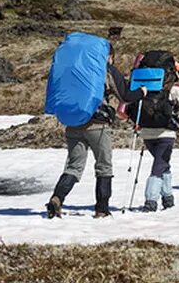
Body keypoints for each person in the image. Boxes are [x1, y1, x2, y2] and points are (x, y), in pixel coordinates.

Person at [46, 27, 146, 219]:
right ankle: (101, 209)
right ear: (108, 55)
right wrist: (142, 92)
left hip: (73, 123)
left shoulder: (73, 70)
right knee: (104, 167)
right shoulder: (104, 70)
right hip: (98, 126)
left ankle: (57, 198)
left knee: (73, 167)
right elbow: (125, 95)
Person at [136, 54, 179, 212]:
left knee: (162, 163)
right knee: (159, 165)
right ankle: (151, 200)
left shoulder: (144, 85)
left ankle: (168, 198)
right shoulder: (176, 88)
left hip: (146, 132)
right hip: (166, 133)